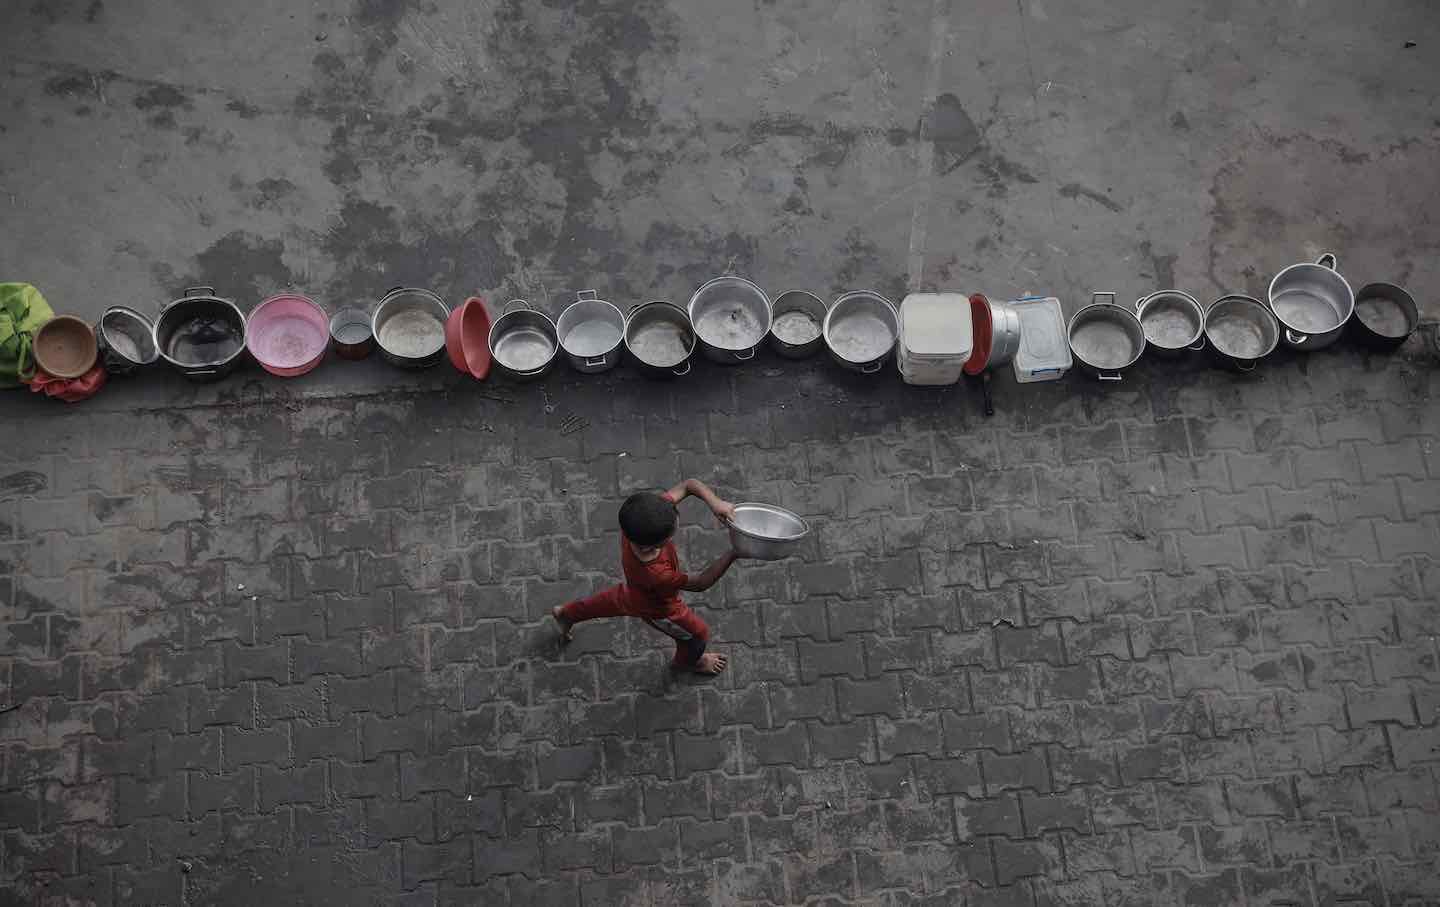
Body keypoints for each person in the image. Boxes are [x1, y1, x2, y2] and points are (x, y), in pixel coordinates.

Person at [553, 478, 739, 675]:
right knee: (697, 635)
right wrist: (735, 552)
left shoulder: (639, 523)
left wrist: (715, 503)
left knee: (608, 602)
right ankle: (690, 662)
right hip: (660, 608)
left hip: (635, 592)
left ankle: (565, 614)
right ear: (654, 545)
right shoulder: (657, 574)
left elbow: (689, 485)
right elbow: (701, 583)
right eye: (671, 534)